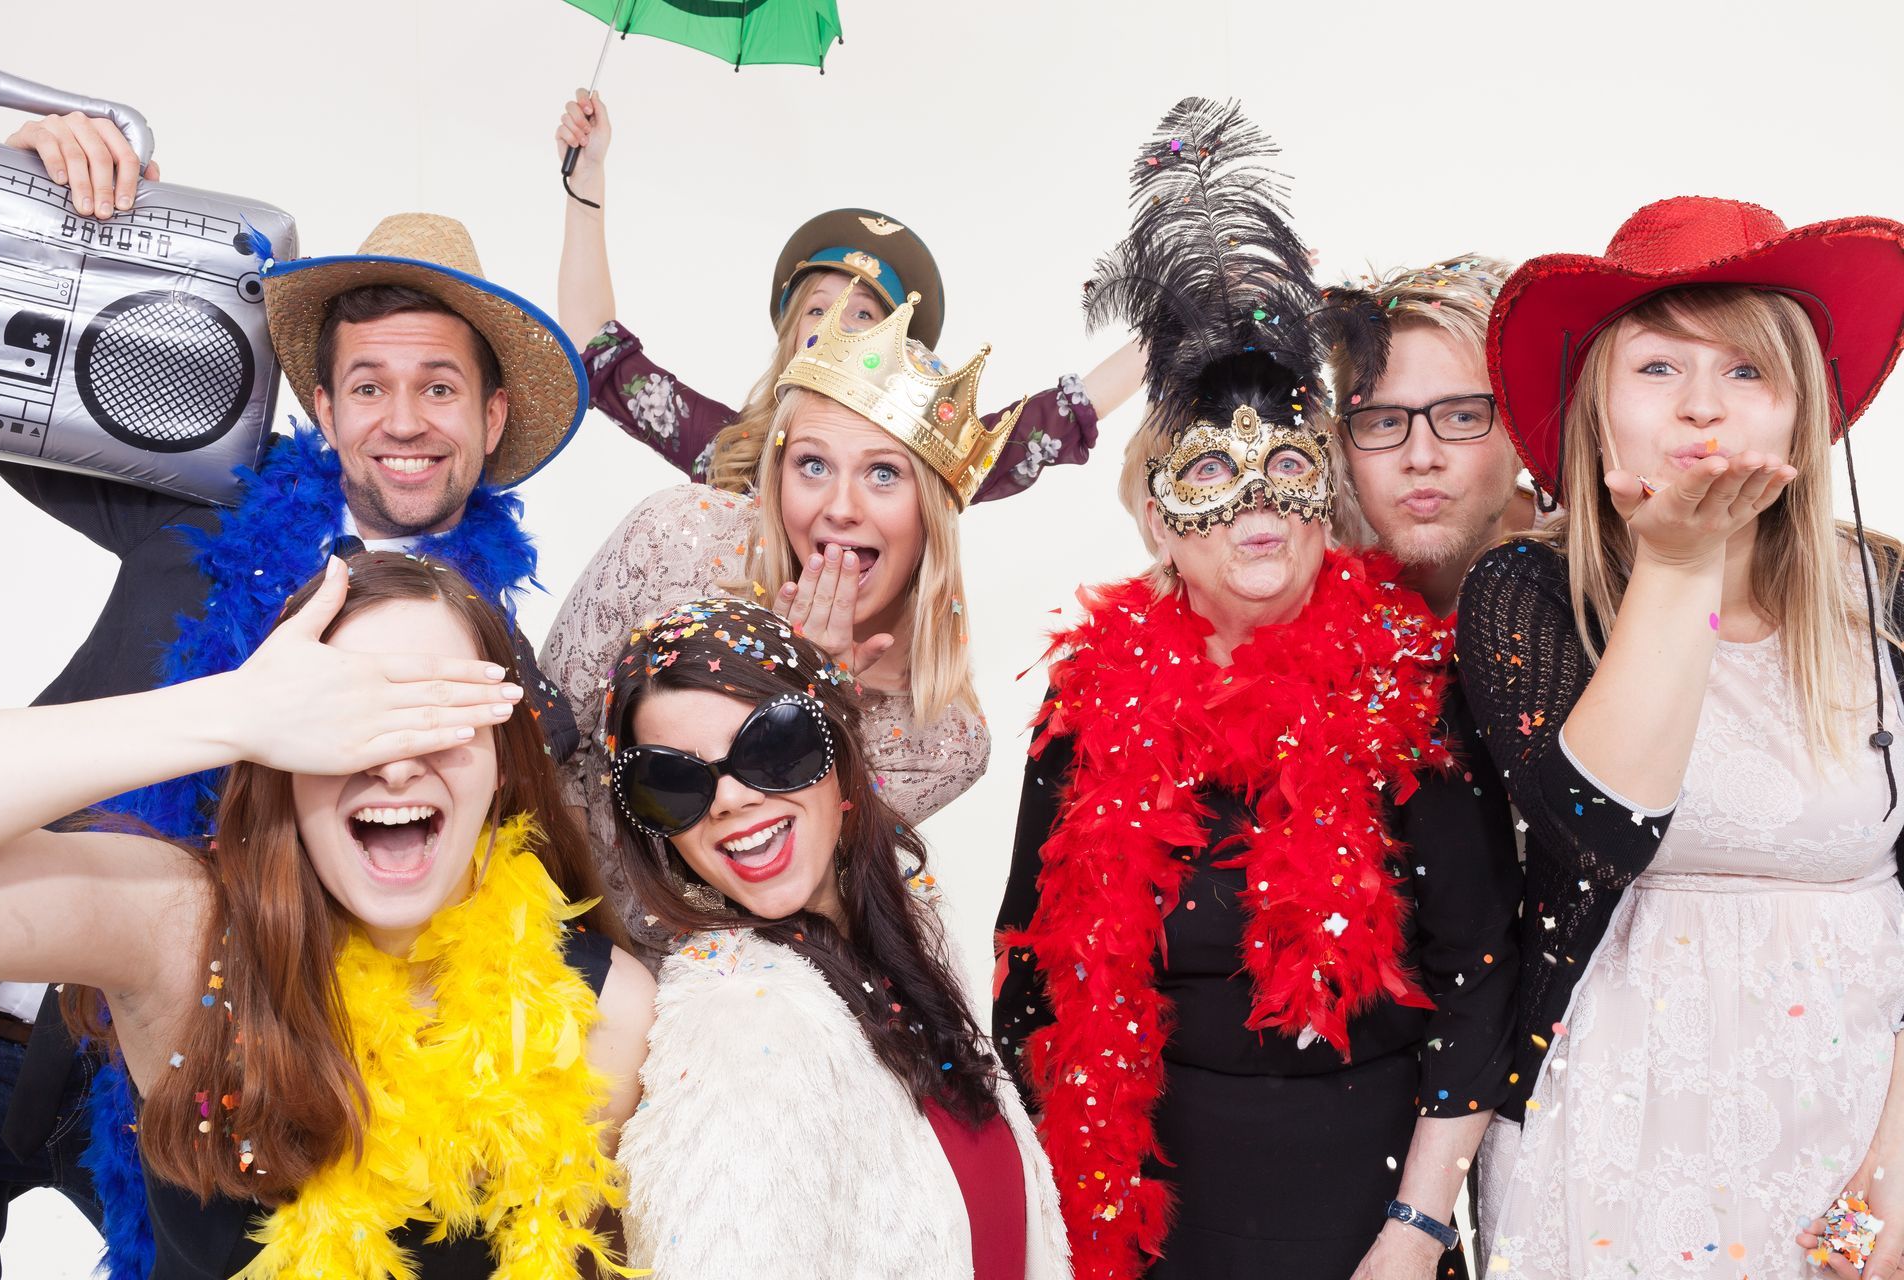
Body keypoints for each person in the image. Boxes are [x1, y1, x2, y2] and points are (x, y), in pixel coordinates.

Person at [0, 112, 589, 1278]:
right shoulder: (199, 497)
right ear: (320, 402)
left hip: (181, 1070)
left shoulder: (500, 694)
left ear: (493, 417)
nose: (404, 421)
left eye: (439, 387)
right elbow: (13, 378)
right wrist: (45, 209)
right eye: (370, 385)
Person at [991, 99, 1520, 1280]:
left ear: (1324, 487)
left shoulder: (1409, 682)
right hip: (1146, 1218)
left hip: (1366, 1211)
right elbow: (1028, 981)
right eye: (1209, 474)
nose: (1255, 504)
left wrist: (1418, 1228)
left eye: (1287, 465)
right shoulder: (1086, 703)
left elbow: (1481, 972)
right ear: (1156, 512)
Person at [0, 552, 653, 1279]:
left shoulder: (606, 1015)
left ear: (504, 765)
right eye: (351, 717)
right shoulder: (181, 930)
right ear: (285, 758)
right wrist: (230, 712)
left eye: (439, 716)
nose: (396, 762)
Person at [1458, 196, 1904, 1278]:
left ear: (1804, 410)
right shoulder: (1526, 593)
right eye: (1659, 368)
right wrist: (1678, 561)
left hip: (1858, 1127)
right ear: (1596, 404)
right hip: (1612, 1137)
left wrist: (1887, 1189)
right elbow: (1604, 835)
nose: (1703, 405)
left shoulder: (1887, 590)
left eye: (1747, 371)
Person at [599, 598, 1069, 1277]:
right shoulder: (741, 1022)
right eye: (672, 783)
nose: (730, 799)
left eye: (772, 745)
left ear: (839, 749)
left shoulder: (908, 937)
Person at [545, 281, 1009, 900]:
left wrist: (814, 706)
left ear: (932, 514)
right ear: (777, 473)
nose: (840, 508)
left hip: (707, 982)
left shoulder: (945, 742)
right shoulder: (673, 539)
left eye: (883, 473)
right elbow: (539, 749)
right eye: (813, 465)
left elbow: (769, 895)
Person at [553, 88, 1145, 501]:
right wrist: (588, 182)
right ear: (792, 340)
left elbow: (1062, 416)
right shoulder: (729, 453)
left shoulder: (926, 459)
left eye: (863, 314)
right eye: (818, 308)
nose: (839, 325)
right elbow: (594, 347)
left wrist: (1180, 325)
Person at [1323, 257, 1537, 618]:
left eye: (1462, 417)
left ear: (1523, 434)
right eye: (1385, 423)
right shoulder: (1298, 561)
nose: (1421, 457)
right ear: (1343, 441)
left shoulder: (1605, 562)